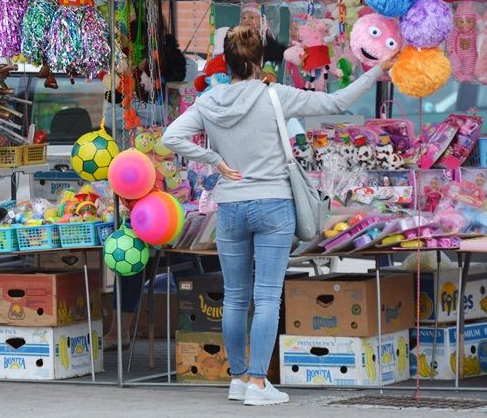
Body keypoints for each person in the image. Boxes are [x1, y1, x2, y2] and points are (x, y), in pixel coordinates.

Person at [161, 25, 396, 406]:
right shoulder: (275, 96)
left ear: (228, 61)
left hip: (231, 207)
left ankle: (237, 378)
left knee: (235, 297)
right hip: (273, 204)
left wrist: (215, 160)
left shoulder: (209, 102)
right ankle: (257, 382)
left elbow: (172, 137)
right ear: (260, 61)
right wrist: (374, 70)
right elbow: (335, 103)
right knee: (267, 297)